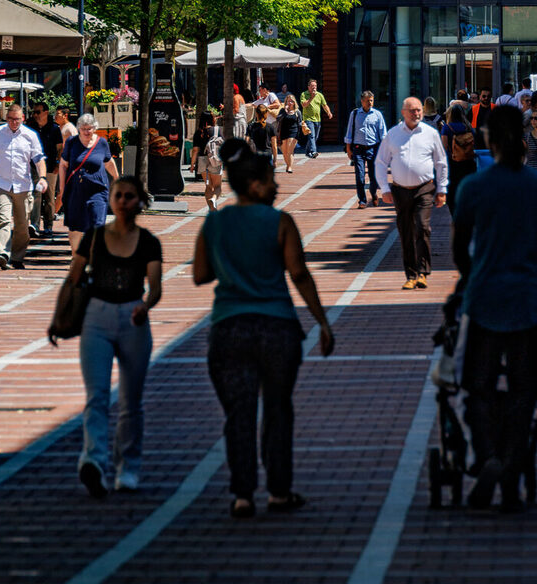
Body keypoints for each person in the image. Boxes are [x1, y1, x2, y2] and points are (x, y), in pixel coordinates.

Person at [193, 138, 334, 518]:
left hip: (229, 327)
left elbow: (200, 275)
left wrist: (231, 263)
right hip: (277, 328)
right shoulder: (280, 222)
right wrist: (322, 321)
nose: (275, 187)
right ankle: (279, 490)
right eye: (270, 180)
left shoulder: (216, 222)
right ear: (254, 184)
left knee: (238, 412)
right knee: (277, 408)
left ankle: (242, 494)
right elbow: (299, 274)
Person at [452, 105, 537, 511]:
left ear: (488, 140)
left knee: (476, 387)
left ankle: (487, 456)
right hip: (525, 301)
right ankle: (513, 467)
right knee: (523, 391)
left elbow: (460, 249)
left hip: (482, 299)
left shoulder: (474, 189)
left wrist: (473, 277)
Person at [49, 176, 162, 498]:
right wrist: (58, 320)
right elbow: (73, 279)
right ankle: (93, 462)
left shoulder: (149, 241)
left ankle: (128, 469)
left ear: (140, 202)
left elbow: (155, 286)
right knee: (96, 396)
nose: (123, 201)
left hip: (133, 319)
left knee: (130, 402)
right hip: (96, 318)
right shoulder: (95, 237)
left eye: (129, 196)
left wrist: (146, 305)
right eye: (118, 196)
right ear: (111, 200)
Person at [375, 97, 448, 289]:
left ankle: (423, 272)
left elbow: (441, 162)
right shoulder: (393, 134)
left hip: (424, 188)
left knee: (422, 227)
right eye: (412, 110)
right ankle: (411, 274)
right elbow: (380, 162)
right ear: (403, 112)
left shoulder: (430, 133)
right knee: (405, 231)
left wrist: (442, 189)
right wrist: (384, 189)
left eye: (419, 110)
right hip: (400, 190)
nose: (416, 113)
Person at [0, 104, 50, 270]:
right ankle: (2, 252)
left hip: (23, 186)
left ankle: (17, 257)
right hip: (0, 184)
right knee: (3, 220)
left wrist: (43, 178)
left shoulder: (30, 135)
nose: (13, 122)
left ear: (23, 118)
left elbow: (39, 160)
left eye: (17, 119)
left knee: (22, 226)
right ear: (6, 118)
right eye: (10, 119)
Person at [57, 114, 121, 255]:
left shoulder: (102, 143)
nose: (86, 132)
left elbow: (108, 162)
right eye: (83, 129)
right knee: (75, 228)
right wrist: (62, 188)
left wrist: (117, 179)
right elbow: (63, 165)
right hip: (75, 190)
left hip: (97, 189)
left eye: (90, 128)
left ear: (95, 128)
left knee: (98, 224)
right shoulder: (71, 143)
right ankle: (76, 256)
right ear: (78, 129)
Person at [344, 91, 388, 209]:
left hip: (373, 149)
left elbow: (383, 134)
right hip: (358, 149)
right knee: (360, 176)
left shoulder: (378, 115)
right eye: (367, 100)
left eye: (371, 100)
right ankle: (362, 200)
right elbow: (349, 132)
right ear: (362, 101)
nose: (370, 103)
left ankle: (373, 194)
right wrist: (348, 149)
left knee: (374, 177)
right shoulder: (354, 114)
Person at [26, 102, 64, 237]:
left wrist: (58, 164)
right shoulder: (30, 126)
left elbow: (60, 148)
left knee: (49, 196)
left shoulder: (54, 128)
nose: (35, 114)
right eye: (34, 112)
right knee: (36, 195)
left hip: (50, 166)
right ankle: (34, 225)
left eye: (38, 112)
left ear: (46, 112)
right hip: (34, 166)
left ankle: (48, 225)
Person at [440, 103, 478, 215]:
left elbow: (444, 147)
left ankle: (455, 214)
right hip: (468, 163)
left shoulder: (447, 128)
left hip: (453, 164)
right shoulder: (468, 127)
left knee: (452, 192)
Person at [189, 112, 224, 212]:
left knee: (208, 186)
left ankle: (212, 209)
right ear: (212, 119)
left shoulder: (199, 132)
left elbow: (195, 150)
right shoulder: (217, 130)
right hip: (215, 159)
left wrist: (192, 165)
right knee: (217, 187)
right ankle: (214, 199)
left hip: (202, 160)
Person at [300, 79, 331, 158]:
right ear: (308, 87)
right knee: (312, 136)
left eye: (315, 86)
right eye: (312, 86)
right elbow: (304, 105)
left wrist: (329, 112)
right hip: (308, 119)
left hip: (317, 119)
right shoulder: (304, 94)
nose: (314, 88)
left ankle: (307, 152)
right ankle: (314, 151)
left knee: (315, 137)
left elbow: (324, 105)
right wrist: (311, 97)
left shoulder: (320, 95)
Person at [252, 83, 282, 164]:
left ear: (265, 89)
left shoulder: (271, 95)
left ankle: (273, 159)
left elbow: (277, 104)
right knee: (267, 142)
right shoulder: (261, 100)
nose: (259, 92)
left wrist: (266, 107)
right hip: (264, 124)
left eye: (260, 90)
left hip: (272, 123)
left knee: (272, 142)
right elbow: (252, 105)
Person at [278, 94, 303, 174]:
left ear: (294, 102)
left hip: (294, 132)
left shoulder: (297, 112)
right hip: (283, 132)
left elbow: (300, 123)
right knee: (284, 151)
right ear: (286, 102)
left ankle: (289, 167)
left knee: (290, 150)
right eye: (288, 101)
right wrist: (285, 111)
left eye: (291, 101)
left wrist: (303, 127)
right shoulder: (282, 111)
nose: (290, 103)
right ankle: (288, 165)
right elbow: (278, 119)